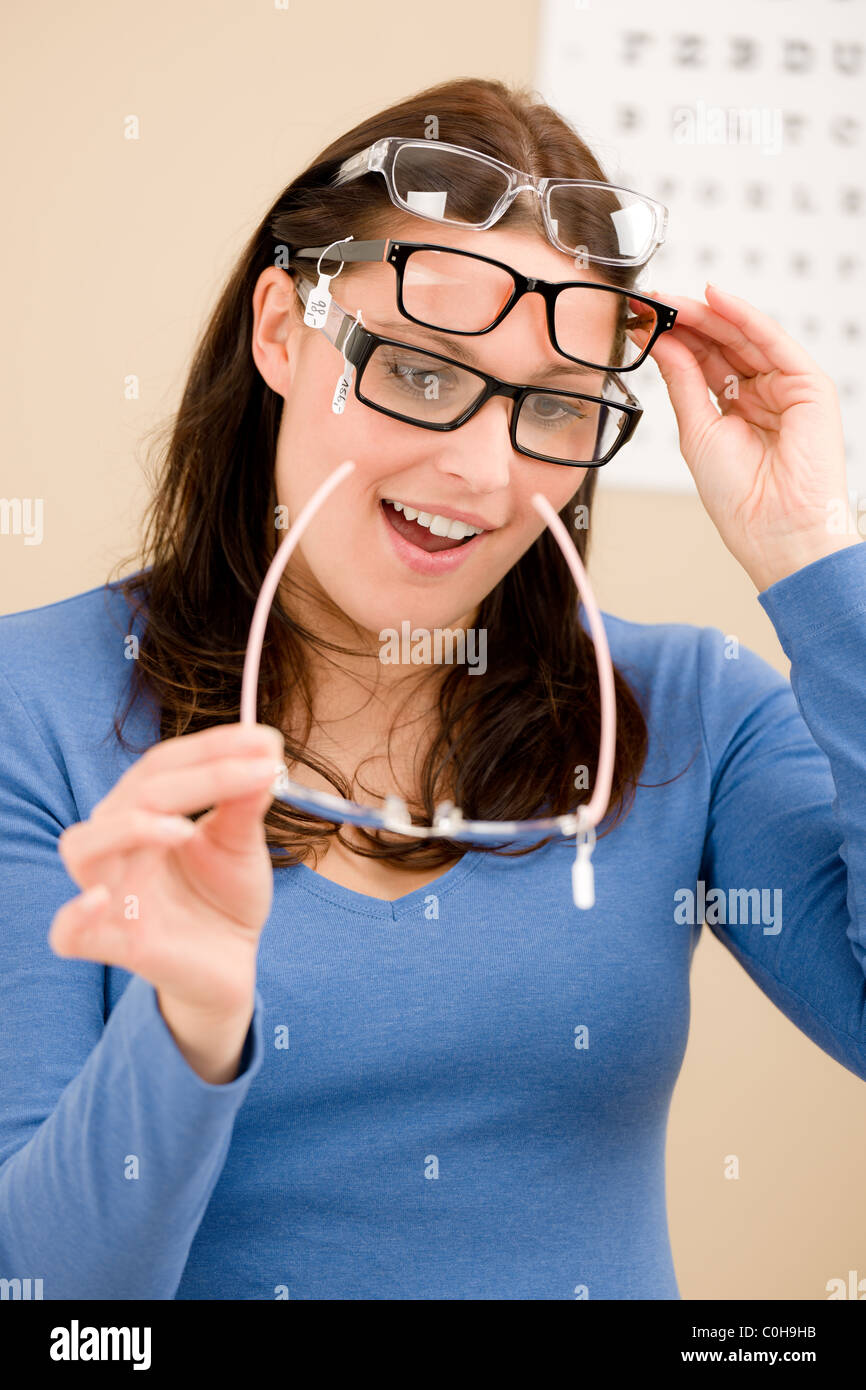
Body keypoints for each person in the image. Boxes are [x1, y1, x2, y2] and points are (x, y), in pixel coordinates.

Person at [0, 77, 864, 1302]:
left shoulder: (687, 715)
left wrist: (814, 554)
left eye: (553, 409)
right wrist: (185, 1031)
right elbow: (46, 1300)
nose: (479, 469)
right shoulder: (29, 708)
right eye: (414, 372)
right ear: (281, 333)